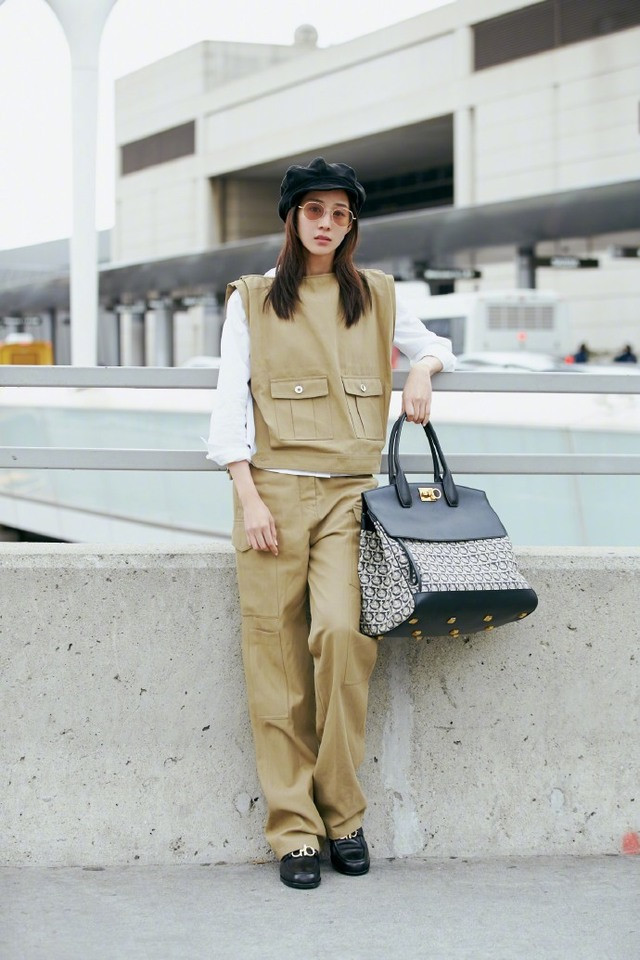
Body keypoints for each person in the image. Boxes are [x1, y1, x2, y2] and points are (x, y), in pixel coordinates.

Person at [206, 157, 455, 890]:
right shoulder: (254, 298)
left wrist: (421, 371)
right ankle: (294, 830)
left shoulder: (373, 294)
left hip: (350, 496)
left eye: (340, 214)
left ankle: (343, 813)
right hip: (272, 495)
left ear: (351, 226)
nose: (327, 224)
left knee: (343, 637)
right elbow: (228, 404)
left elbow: (434, 345)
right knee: (276, 662)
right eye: (314, 210)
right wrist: (249, 497)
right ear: (292, 218)